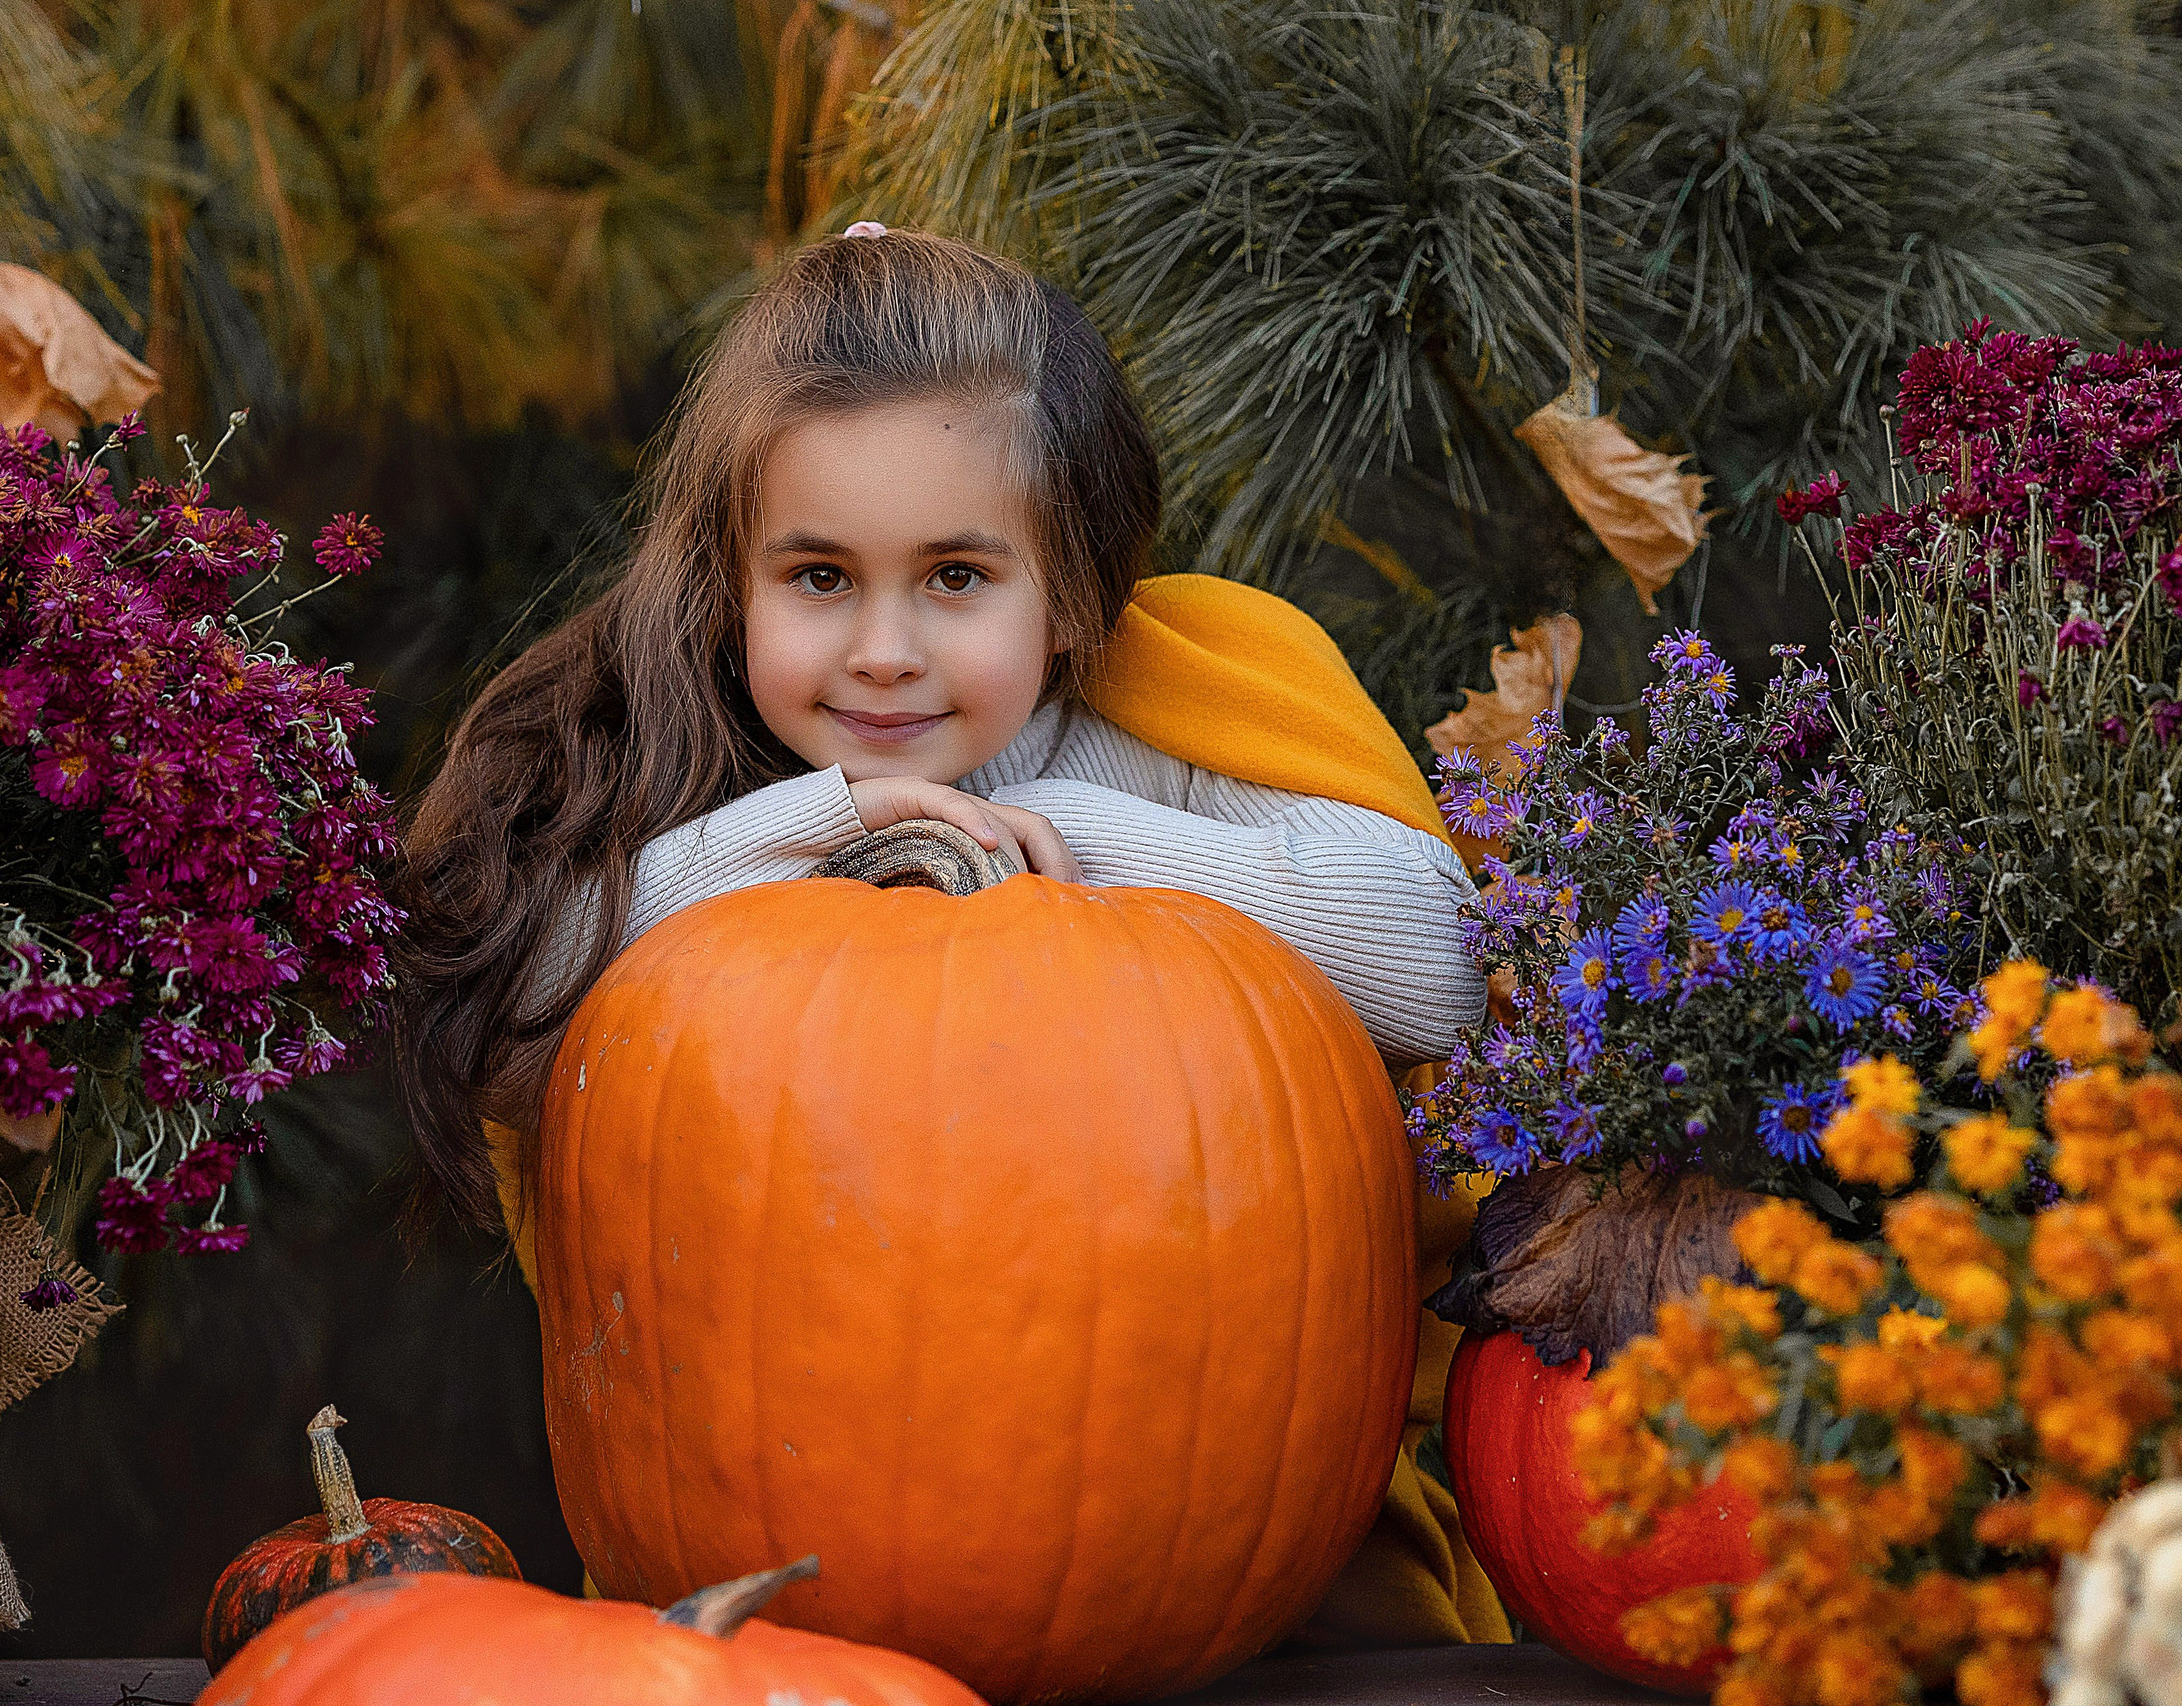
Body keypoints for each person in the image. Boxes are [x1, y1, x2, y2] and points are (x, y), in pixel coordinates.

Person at [391, 225, 1502, 1645]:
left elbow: (1449, 963)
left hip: (1201, 1547)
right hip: (792, 1546)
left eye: (957, 578)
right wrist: (829, 823)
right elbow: (515, 1011)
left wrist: (1066, 836)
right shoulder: (698, 776)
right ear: (736, 578)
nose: (885, 649)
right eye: (821, 577)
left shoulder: (1169, 731)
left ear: (1077, 582)